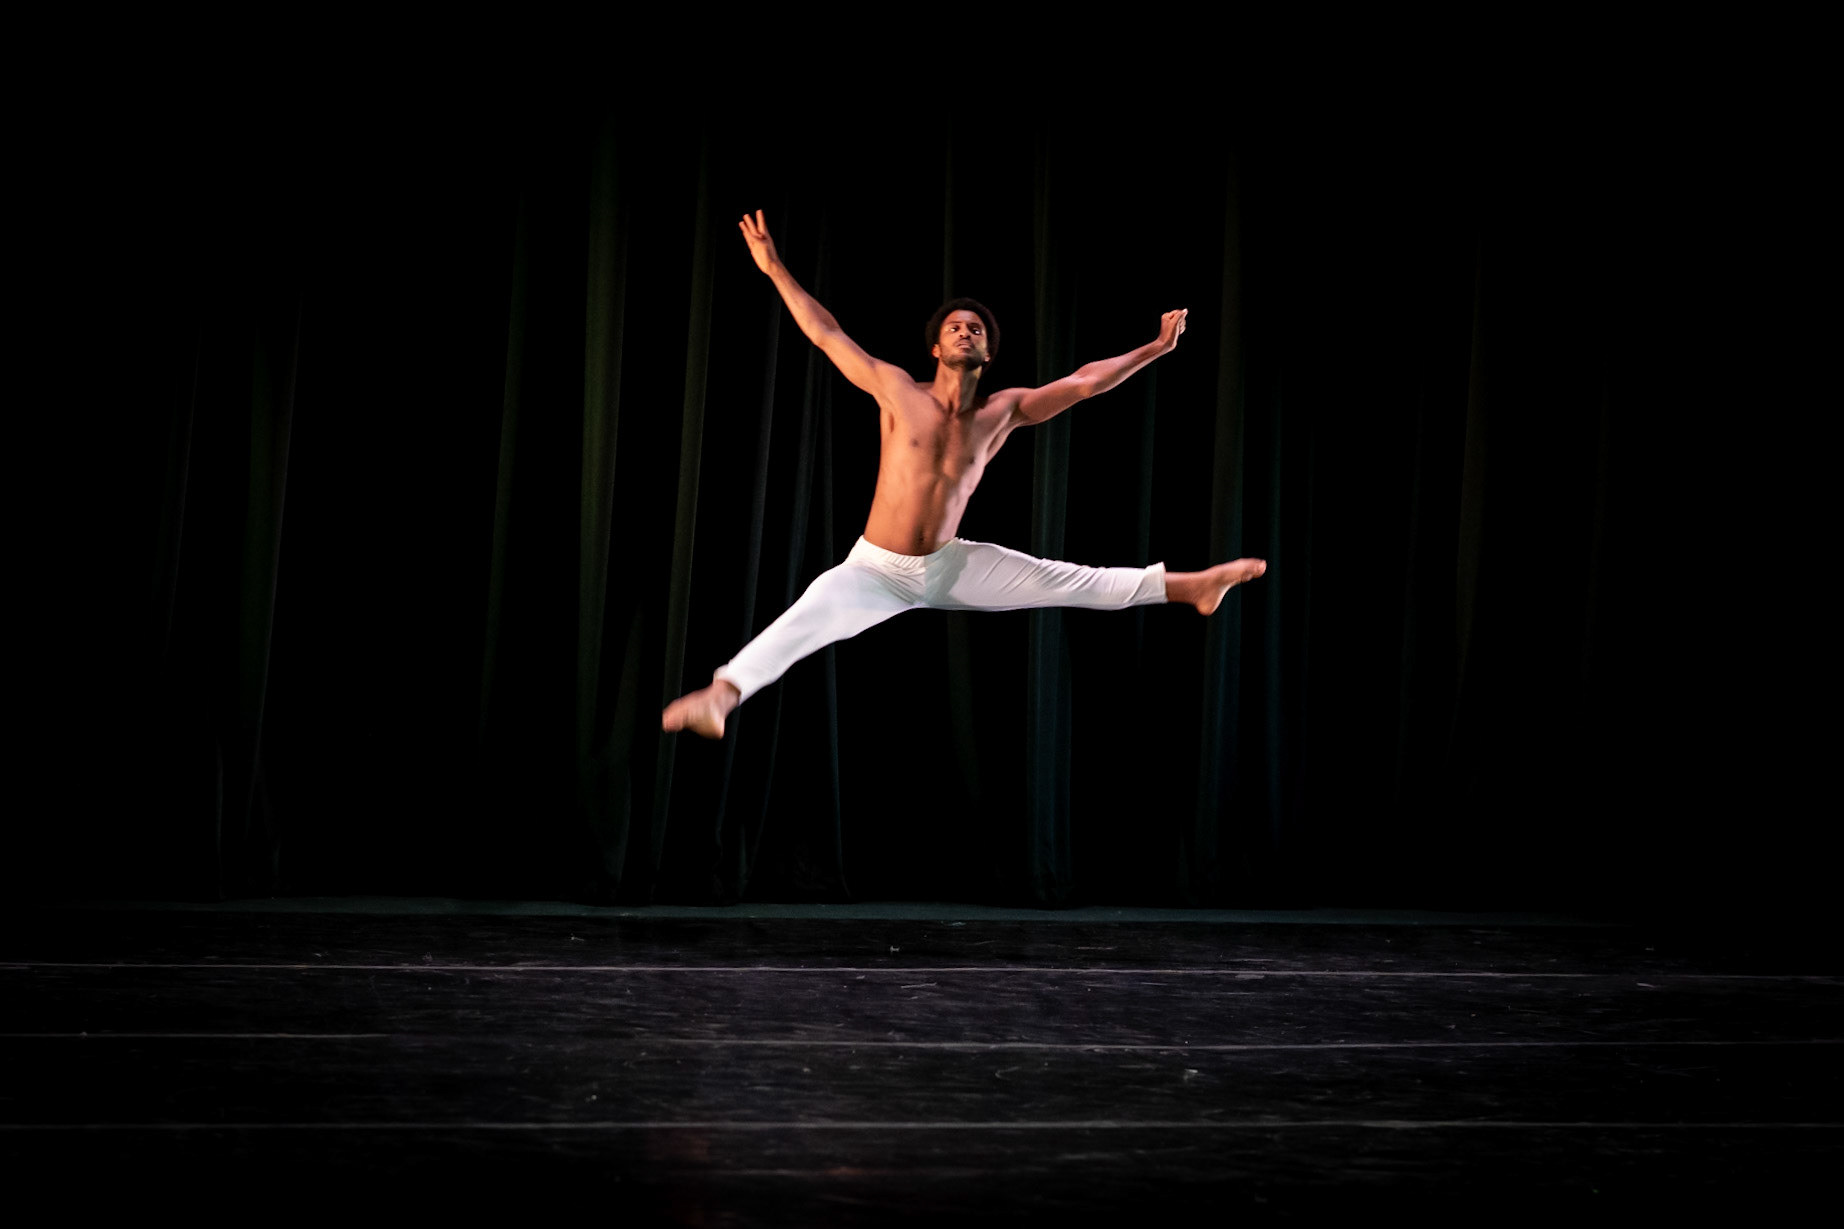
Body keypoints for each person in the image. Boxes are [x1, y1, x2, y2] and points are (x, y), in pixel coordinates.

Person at [662, 210, 1266, 739]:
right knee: (810, 613)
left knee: (1067, 581)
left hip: (949, 566)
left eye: (975, 328)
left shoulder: (1003, 411)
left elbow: (1084, 382)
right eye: (954, 326)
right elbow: (827, 333)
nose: (964, 331)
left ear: (987, 352)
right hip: (876, 570)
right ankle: (722, 694)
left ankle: (1191, 587)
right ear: (936, 348)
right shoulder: (898, 391)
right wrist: (773, 268)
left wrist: (1154, 349)